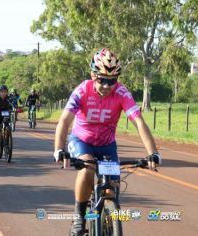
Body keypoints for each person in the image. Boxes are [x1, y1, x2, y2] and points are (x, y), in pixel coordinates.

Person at [53, 48, 162, 236]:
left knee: (113, 186)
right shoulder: (82, 90)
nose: (106, 85)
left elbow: (138, 121)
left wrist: (153, 153)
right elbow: (64, 121)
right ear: (92, 75)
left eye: (112, 80)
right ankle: (79, 217)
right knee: (88, 169)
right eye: (101, 79)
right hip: (82, 140)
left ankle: (109, 221)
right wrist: (59, 149)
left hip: (106, 144)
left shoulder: (121, 92)